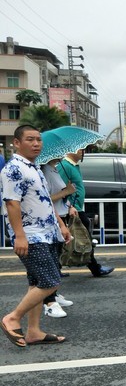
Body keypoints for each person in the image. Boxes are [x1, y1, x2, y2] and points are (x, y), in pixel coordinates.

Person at [1, 125, 71, 347]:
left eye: (39, 140)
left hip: (46, 233)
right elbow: (12, 203)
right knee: (51, 281)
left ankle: (33, 332)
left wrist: (60, 224)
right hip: (31, 235)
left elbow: (44, 201)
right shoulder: (13, 169)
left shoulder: (35, 167)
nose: (36, 143)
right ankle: (12, 318)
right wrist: (20, 236)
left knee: (36, 283)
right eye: (30, 139)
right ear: (17, 143)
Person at [58, 149, 114, 277]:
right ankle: (95, 268)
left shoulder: (73, 166)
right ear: (70, 150)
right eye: (80, 149)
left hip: (76, 208)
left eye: (83, 150)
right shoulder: (65, 166)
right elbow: (60, 189)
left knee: (64, 240)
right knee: (85, 238)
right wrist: (69, 206)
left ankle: (57, 268)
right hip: (71, 209)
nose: (83, 152)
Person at [41, 159, 77, 317]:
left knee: (56, 260)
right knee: (50, 261)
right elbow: (45, 199)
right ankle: (49, 300)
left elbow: (61, 194)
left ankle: (54, 294)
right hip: (51, 221)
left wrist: (69, 205)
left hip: (61, 216)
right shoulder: (45, 171)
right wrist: (66, 192)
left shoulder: (54, 169)